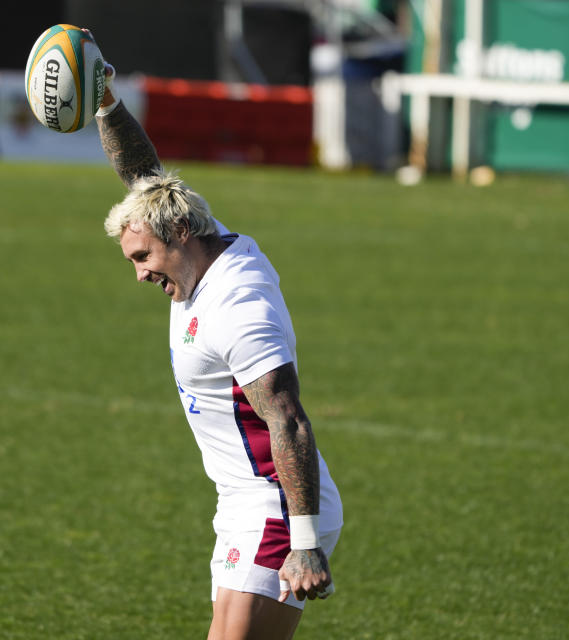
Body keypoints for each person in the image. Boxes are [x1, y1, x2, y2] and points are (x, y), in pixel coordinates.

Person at [95, 57, 344, 640]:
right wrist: (104, 99)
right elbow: (143, 173)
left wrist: (304, 544)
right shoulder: (196, 241)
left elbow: (287, 417)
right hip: (239, 505)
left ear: (180, 234)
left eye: (143, 259)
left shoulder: (239, 304)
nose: (139, 276)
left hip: (275, 509)